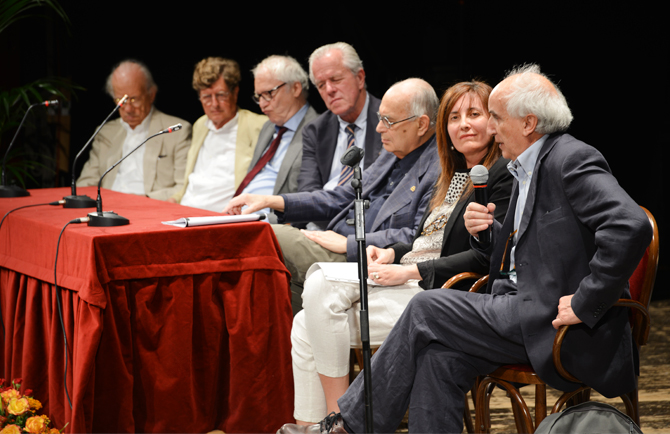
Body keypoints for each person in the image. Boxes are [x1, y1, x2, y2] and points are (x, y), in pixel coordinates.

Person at [277, 64, 653, 434]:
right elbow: (522, 254)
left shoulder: (570, 158)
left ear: (528, 123)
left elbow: (629, 226)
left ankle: (348, 427)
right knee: (437, 358)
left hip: (557, 325)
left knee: (425, 307)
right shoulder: (523, 167)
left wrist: (587, 301)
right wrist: (486, 235)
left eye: (496, 117)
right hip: (515, 309)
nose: (491, 128)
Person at [289, 81, 513, 425]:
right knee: (304, 323)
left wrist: (411, 271)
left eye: (474, 114)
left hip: (444, 293)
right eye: (454, 117)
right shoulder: (453, 176)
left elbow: (486, 256)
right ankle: (313, 425)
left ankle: (338, 420)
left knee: (321, 285)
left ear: (495, 121)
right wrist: (391, 253)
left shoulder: (501, 175)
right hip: (411, 279)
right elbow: (427, 239)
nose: (464, 124)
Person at [224, 78, 441, 315]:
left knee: (265, 235)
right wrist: (271, 200)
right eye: (380, 118)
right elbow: (340, 197)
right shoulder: (394, 151)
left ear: (422, 125)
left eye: (388, 121)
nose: (379, 128)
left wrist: (350, 243)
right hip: (334, 241)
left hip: (362, 258)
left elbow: (418, 238)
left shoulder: (439, 169)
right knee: (275, 283)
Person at [77, 59, 192, 200]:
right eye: (121, 101)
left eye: (134, 99)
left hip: (148, 206)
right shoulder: (106, 132)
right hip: (107, 206)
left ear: (151, 94)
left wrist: (142, 200)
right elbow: (86, 183)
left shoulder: (176, 131)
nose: (128, 109)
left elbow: (184, 187)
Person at [169, 57, 267, 211]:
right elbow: (193, 181)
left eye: (221, 95)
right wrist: (175, 199)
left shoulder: (257, 126)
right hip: (185, 210)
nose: (214, 104)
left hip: (222, 215)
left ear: (235, 92)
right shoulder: (200, 125)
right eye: (207, 97)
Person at [234, 55, 319, 212]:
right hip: (240, 213)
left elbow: (309, 199)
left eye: (268, 93)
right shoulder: (268, 127)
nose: (262, 104)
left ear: (296, 88)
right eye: (259, 96)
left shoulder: (318, 130)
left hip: (274, 219)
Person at [298, 42, 383, 197]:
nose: (329, 90)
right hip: (324, 210)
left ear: (360, 78)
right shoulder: (315, 131)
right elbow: (307, 191)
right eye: (321, 85)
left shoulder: (389, 120)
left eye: (336, 79)